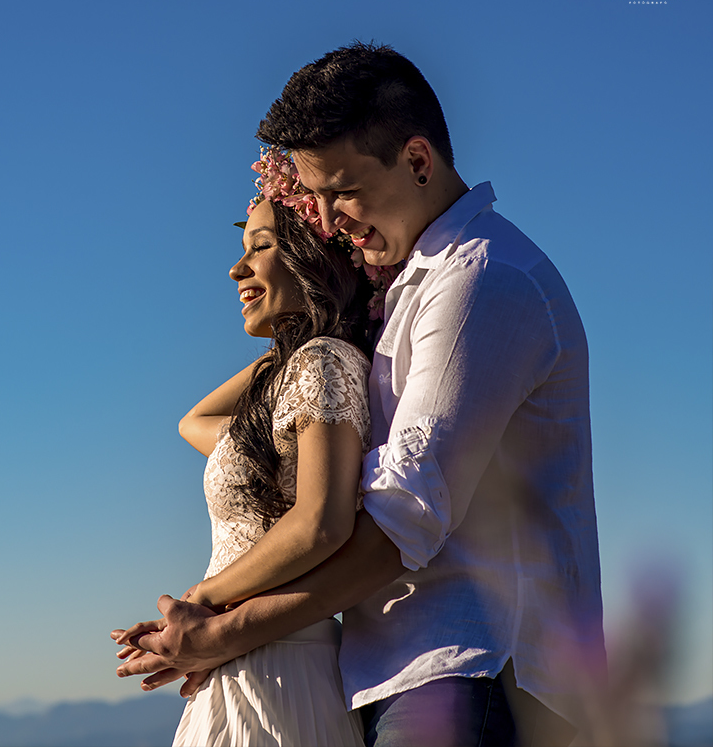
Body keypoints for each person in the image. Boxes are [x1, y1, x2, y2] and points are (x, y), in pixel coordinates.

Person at [113, 43, 603, 747]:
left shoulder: (480, 283)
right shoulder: (407, 296)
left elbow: (399, 521)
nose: (327, 217)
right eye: (312, 195)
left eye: (341, 190)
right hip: (401, 673)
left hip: (475, 668)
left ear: (417, 160)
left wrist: (216, 626)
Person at [115, 149, 390, 746]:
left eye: (261, 245)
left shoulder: (324, 363)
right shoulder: (302, 368)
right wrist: (294, 340)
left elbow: (321, 522)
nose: (238, 269)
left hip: (276, 668)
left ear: (314, 255)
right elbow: (197, 422)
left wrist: (199, 605)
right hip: (248, 661)